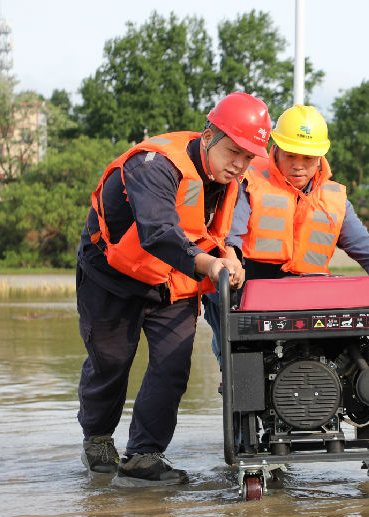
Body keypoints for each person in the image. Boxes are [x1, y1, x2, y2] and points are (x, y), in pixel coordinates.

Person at [76, 92, 270, 486]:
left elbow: (217, 232)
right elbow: (160, 234)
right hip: (113, 276)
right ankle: (97, 438)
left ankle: (144, 457)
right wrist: (212, 264)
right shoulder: (155, 166)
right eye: (234, 151)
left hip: (173, 280)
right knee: (111, 363)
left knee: (172, 365)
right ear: (209, 134)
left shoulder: (233, 179)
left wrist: (229, 254)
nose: (240, 164)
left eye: (249, 157)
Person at [202, 104, 369, 363]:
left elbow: (361, 241)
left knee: (343, 349)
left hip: (305, 291)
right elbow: (231, 233)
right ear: (276, 150)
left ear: (320, 158)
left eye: (307, 159)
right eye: (291, 156)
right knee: (244, 365)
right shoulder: (248, 183)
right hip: (248, 286)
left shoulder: (334, 198)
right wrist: (231, 258)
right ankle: (242, 389)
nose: (298, 166)